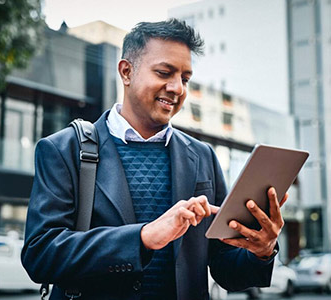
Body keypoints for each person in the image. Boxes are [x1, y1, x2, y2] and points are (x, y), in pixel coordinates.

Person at [21, 19, 287, 300]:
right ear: (126, 71)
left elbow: (227, 272)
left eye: (185, 78)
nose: (177, 88)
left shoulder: (203, 157)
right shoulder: (63, 150)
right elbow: (40, 254)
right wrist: (143, 237)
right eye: (164, 72)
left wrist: (261, 251)